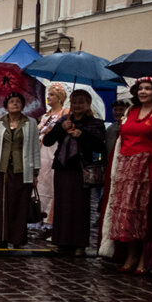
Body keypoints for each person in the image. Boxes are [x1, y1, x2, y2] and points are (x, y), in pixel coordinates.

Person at [99, 77, 152, 275]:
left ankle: (147, 257)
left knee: (147, 215)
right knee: (126, 216)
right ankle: (130, 254)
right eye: (140, 89)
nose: (143, 92)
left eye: (148, 89)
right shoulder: (131, 111)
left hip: (149, 169)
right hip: (126, 169)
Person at [42, 89, 106, 255]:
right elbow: (48, 141)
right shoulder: (64, 120)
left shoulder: (95, 123)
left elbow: (99, 146)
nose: (77, 106)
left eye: (81, 102)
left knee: (79, 207)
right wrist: (60, 129)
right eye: (75, 102)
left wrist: (82, 134)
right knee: (62, 205)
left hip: (80, 170)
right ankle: (60, 240)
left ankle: (79, 244)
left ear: (87, 104)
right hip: (62, 168)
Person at [0, 92, 39, 249]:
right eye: (12, 101)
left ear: (23, 105)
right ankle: (1, 238)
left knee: (19, 204)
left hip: (21, 169)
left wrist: (35, 171)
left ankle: (17, 238)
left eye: (18, 101)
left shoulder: (30, 122)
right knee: (1, 204)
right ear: (6, 106)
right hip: (1, 169)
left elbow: (34, 147)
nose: (15, 104)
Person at [36, 83, 67, 227]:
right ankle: (37, 215)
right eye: (48, 94)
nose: (48, 97)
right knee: (40, 182)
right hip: (40, 151)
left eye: (52, 95)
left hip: (53, 151)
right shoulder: (45, 115)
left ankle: (50, 218)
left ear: (60, 97)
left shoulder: (64, 114)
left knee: (50, 183)